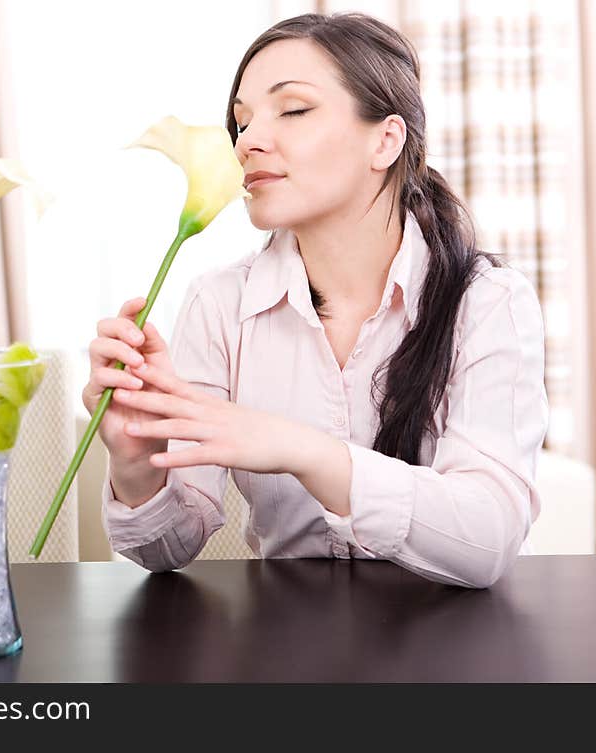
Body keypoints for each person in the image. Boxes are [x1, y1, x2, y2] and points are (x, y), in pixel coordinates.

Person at [82, 12, 549, 588]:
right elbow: (165, 549)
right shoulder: (219, 302)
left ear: (385, 140)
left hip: (455, 646)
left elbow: (488, 540)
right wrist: (136, 458)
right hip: (282, 651)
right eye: (241, 122)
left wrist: (304, 450)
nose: (248, 142)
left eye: (294, 109)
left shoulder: (488, 302)